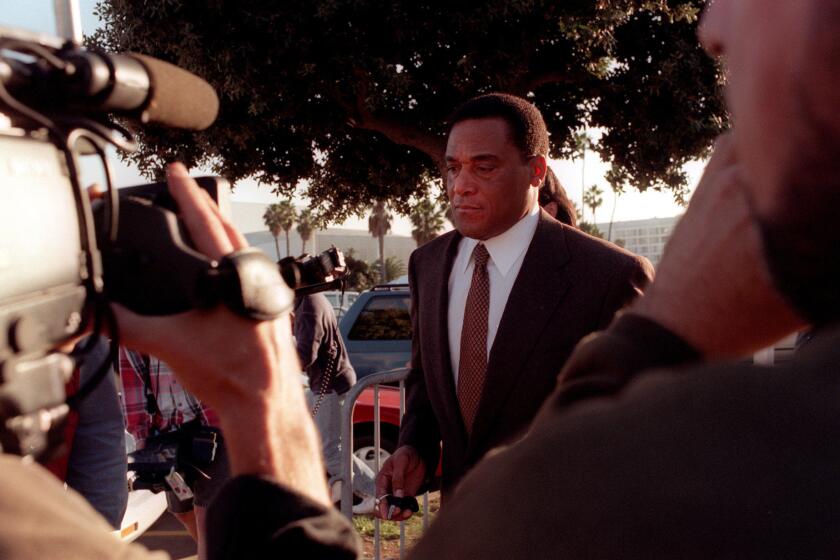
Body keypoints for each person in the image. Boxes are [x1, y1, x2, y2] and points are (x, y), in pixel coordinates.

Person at [375, 93, 654, 513]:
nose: (460, 185)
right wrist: (415, 447)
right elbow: (424, 383)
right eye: (452, 168)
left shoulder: (609, 276)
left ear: (536, 171)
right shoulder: (427, 265)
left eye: (483, 167)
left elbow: (641, 429)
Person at [118, 348, 231, 559]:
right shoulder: (136, 324)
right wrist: (143, 439)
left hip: (216, 427)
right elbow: (132, 380)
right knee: (183, 511)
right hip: (169, 434)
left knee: (207, 515)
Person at [293, 292, 377, 514]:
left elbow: (304, 355)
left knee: (331, 449)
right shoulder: (312, 299)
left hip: (330, 386)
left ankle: (375, 492)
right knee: (316, 442)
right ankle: (340, 482)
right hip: (326, 384)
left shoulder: (309, 305)